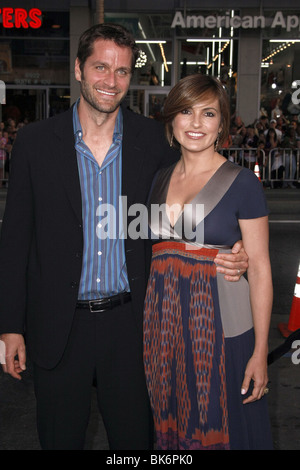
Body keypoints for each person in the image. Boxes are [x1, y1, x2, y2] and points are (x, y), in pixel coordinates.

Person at [0, 24, 248, 450]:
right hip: (59, 324)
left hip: (133, 325)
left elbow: (192, 199)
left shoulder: (154, 142)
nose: (110, 81)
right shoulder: (35, 144)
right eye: (100, 67)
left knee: (135, 444)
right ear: (78, 69)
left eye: (122, 71)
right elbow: (15, 240)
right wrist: (8, 326)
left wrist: (231, 245)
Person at [143, 74, 273, 450]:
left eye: (208, 113)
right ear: (171, 119)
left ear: (221, 124)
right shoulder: (159, 179)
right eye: (186, 111)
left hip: (221, 331)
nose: (196, 123)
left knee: (226, 428)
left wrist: (259, 352)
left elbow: (262, 268)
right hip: (163, 333)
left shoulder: (242, 182)